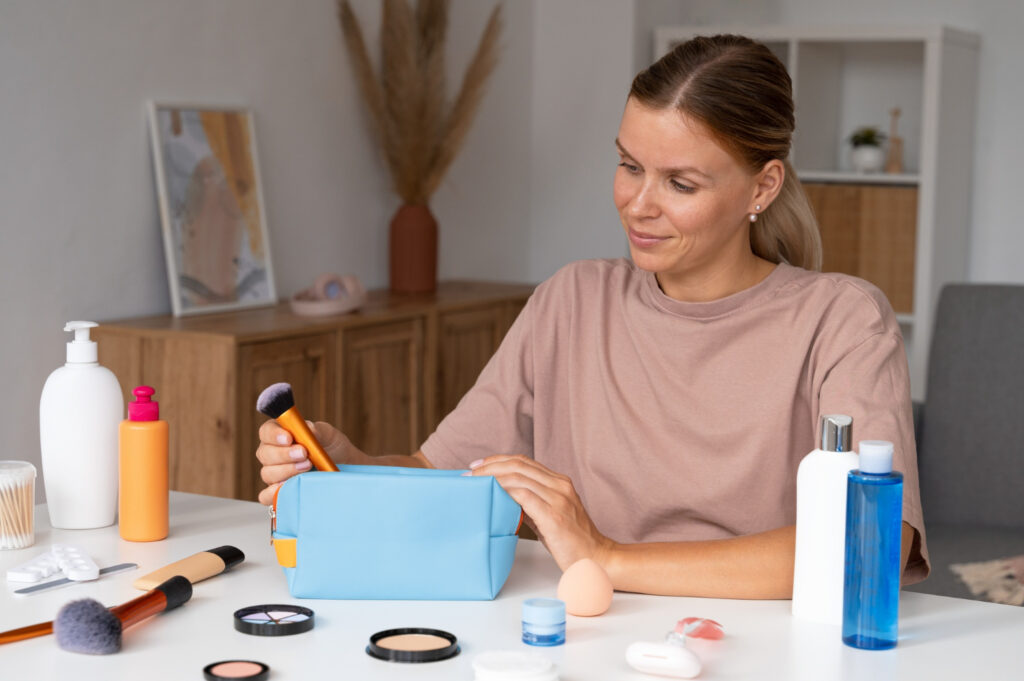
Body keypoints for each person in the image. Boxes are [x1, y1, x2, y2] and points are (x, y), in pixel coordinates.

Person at [255, 34, 929, 599]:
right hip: (581, 636)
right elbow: (444, 473)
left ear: (763, 186)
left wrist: (604, 555)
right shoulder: (571, 301)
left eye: (680, 182)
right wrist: (352, 466)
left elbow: (874, 543)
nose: (639, 203)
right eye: (629, 165)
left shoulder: (842, 319)